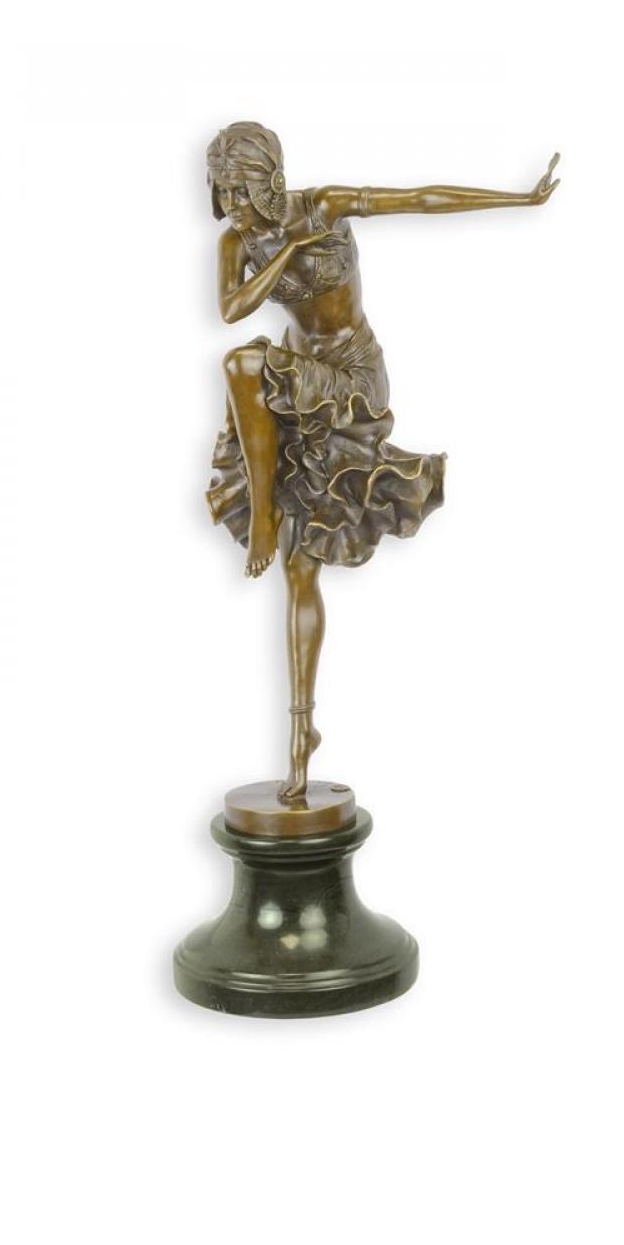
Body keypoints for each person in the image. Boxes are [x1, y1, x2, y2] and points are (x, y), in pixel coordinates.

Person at [206, 122, 560, 798]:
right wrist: (287, 252)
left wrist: (520, 198)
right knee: (300, 569)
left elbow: (419, 199)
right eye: (223, 195)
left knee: (242, 366)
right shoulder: (236, 242)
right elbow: (231, 308)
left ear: (269, 182)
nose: (233, 209)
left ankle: (262, 521)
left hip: (352, 382)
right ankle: (301, 738)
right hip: (299, 383)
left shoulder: (324, 206)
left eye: (241, 194)